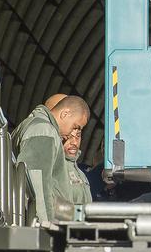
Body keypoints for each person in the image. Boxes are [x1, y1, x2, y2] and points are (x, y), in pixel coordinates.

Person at [13, 94, 93, 222]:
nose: (73, 133)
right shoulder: (44, 131)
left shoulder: (39, 128)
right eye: (75, 126)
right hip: (40, 227)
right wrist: (45, 228)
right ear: (65, 113)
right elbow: (37, 185)